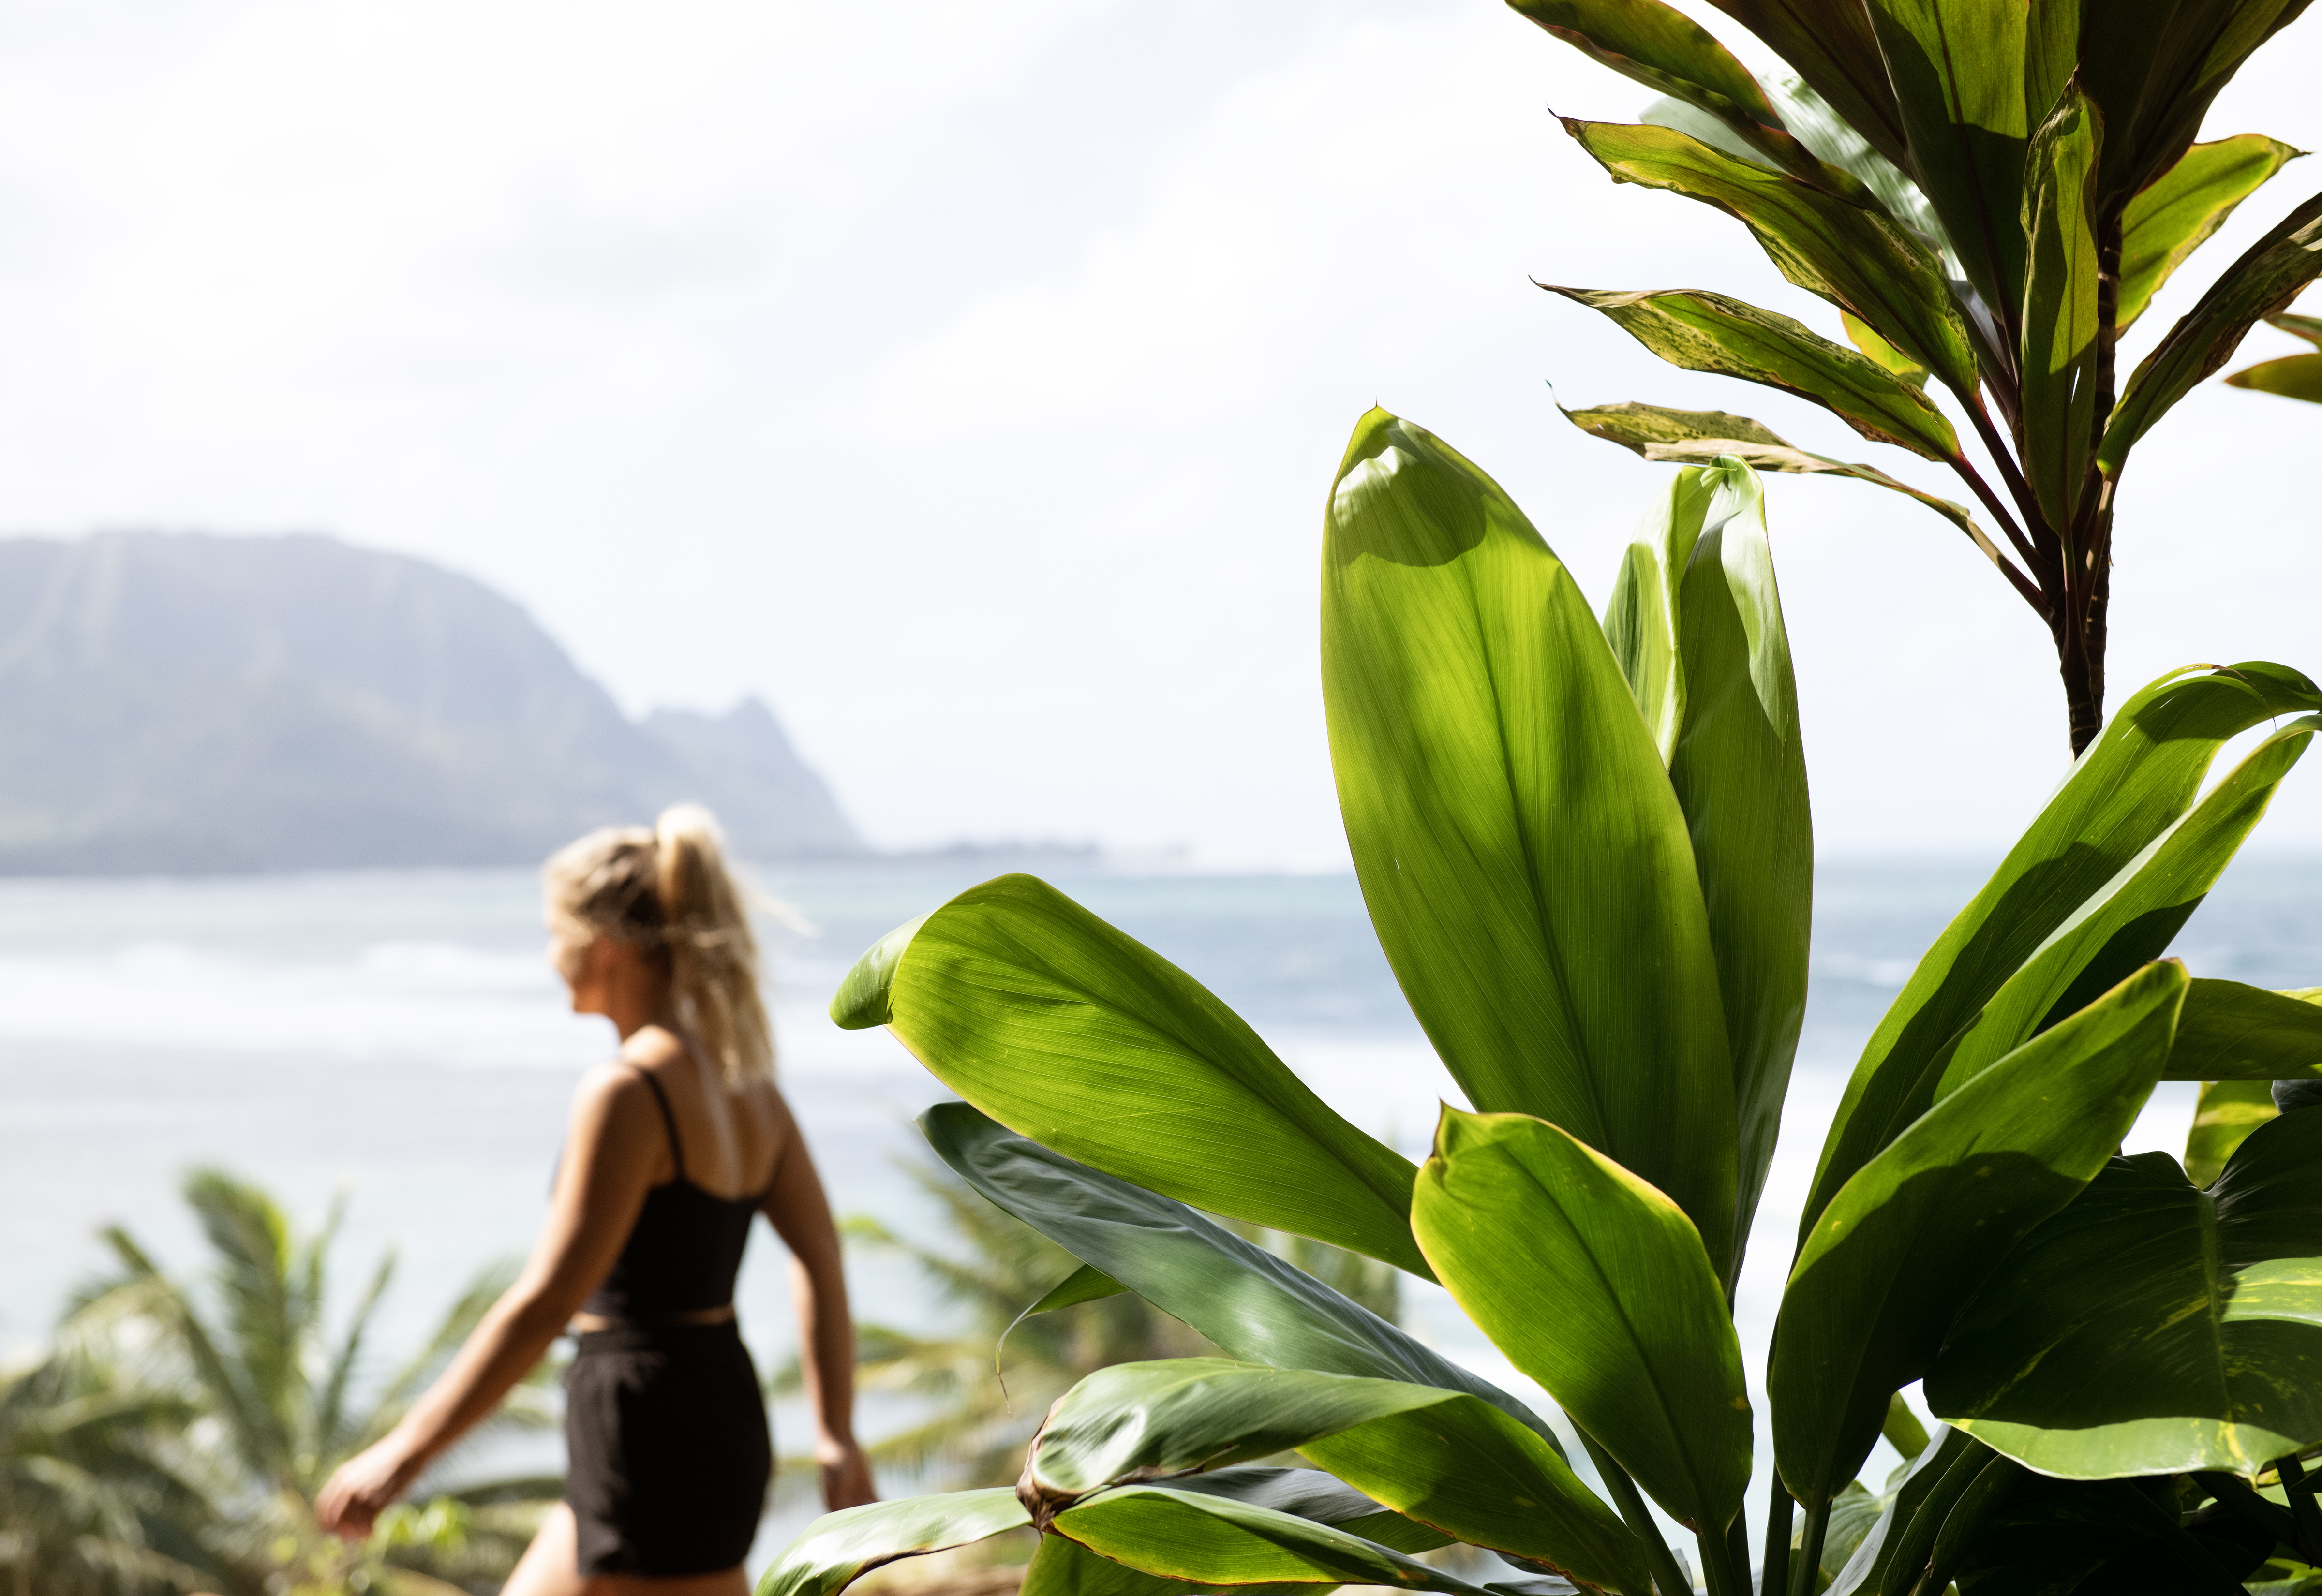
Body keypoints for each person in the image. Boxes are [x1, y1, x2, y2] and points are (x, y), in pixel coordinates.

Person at [318, 805, 875, 1594]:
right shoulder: (751, 1088)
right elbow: (820, 1255)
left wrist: (400, 1455)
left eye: (556, 934)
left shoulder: (626, 1092)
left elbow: (547, 1301)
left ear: (603, 944)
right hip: (701, 1406)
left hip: (649, 1429)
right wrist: (836, 1432)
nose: (551, 957)